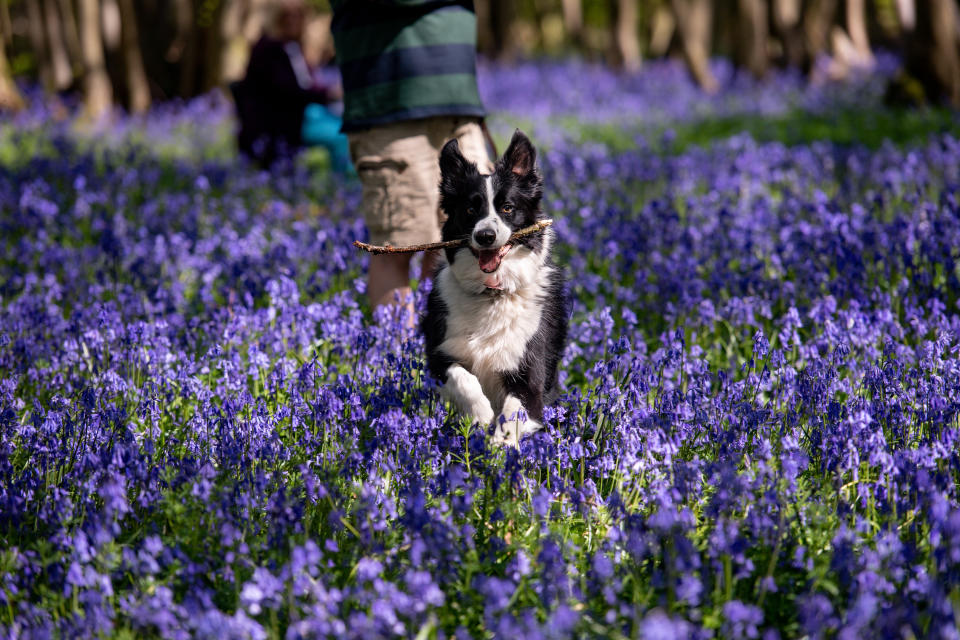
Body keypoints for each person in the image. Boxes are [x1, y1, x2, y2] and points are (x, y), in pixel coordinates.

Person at [330, 0, 493, 315]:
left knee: (464, 243)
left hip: (458, 105)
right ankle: (399, 359)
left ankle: (442, 357)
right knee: (398, 246)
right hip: (391, 112)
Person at [236, 0, 350, 171]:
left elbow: (304, 85)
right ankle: (345, 190)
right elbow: (287, 92)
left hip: (299, 114)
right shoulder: (269, 49)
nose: (293, 21)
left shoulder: (292, 47)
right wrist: (328, 94)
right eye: (286, 16)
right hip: (280, 123)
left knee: (347, 122)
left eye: (298, 15)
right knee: (341, 136)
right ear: (275, 18)